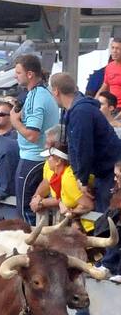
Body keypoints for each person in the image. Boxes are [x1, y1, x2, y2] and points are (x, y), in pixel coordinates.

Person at [51, 71, 120, 222]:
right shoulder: (78, 109)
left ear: (56, 91)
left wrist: (81, 180)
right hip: (104, 172)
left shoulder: (81, 112)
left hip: (109, 173)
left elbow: (83, 149)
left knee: (107, 222)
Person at [11, 53, 60, 221]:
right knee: (33, 208)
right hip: (42, 157)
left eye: (18, 72)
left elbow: (32, 135)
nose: (14, 76)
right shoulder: (45, 91)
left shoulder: (36, 97)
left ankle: (27, 245)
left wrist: (14, 120)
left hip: (32, 158)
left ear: (29, 74)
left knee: (25, 211)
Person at [31, 143, 94, 221]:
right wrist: (36, 198)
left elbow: (88, 205)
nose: (47, 159)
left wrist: (71, 213)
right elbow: (46, 182)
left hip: (87, 224)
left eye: (50, 157)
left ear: (58, 161)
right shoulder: (52, 170)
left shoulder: (69, 179)